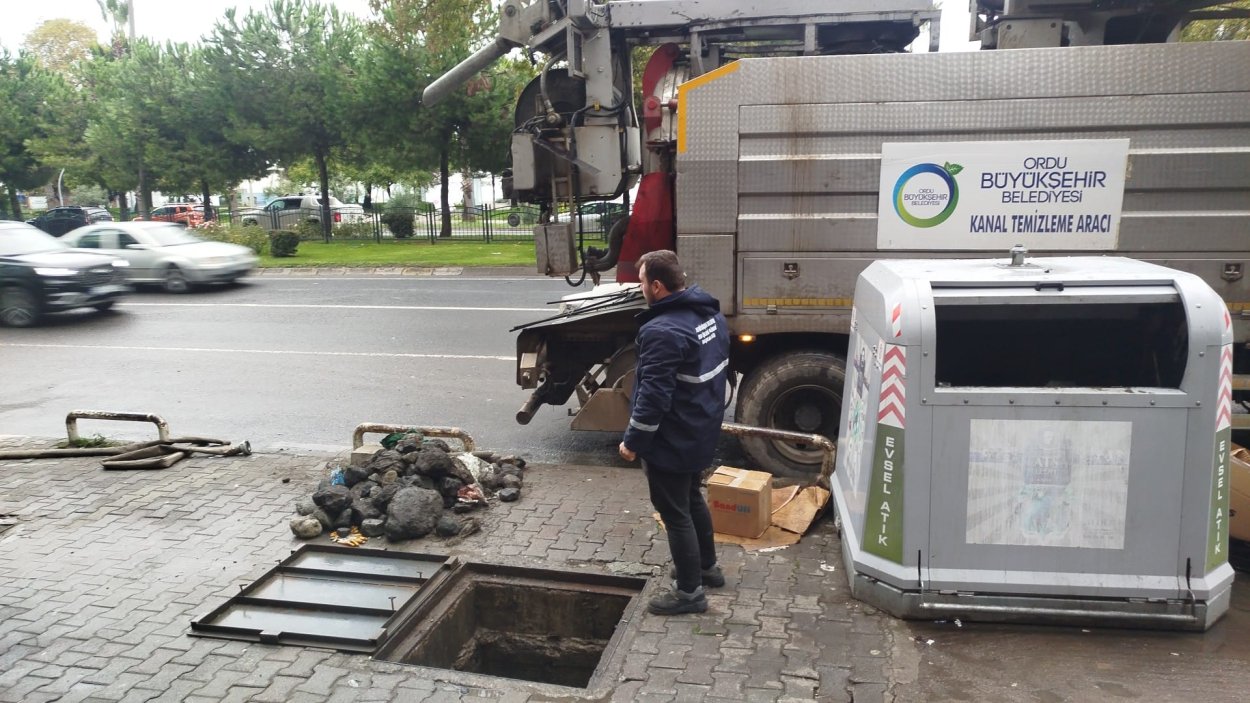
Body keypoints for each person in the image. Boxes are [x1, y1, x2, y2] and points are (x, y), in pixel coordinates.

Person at [619, 249, 730, 615]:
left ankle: (689, 593)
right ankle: (707, 567)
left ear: (657, 286)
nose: (640, 290)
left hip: (674, 437)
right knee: (692, 497)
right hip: (701, 427)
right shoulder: (708, 313)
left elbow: (653, 397)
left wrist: (633, 442)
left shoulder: (663, 330)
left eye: (641, 283)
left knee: (674, 512)